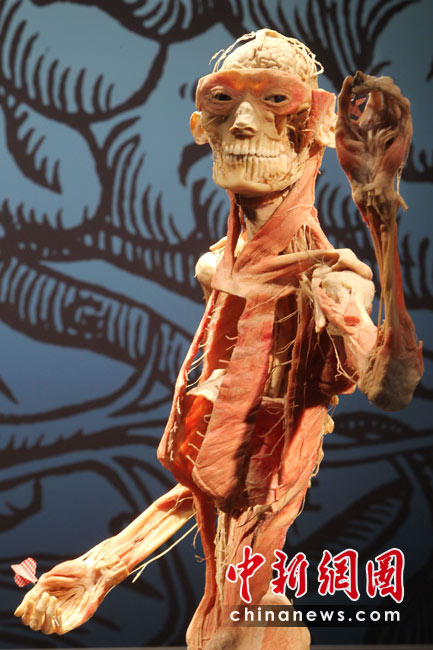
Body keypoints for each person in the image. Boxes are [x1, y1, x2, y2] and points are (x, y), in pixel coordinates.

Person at [14, 29, 422, 650]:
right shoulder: (219, 269)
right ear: (200, 124)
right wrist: (100, 568)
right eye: (224, 100)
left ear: (315, 126)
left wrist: (380, 223)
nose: (244, 124)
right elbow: (209, 482)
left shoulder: (329, 283)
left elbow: (388, 387)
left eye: (275, 100)